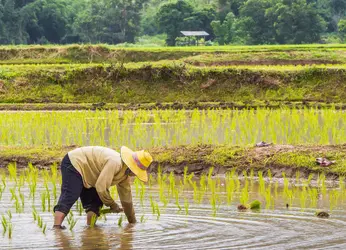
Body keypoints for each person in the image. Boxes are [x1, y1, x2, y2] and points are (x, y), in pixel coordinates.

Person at [53, 146, 153, 229]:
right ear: (131, 167)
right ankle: (56, 228)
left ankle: (90, 229)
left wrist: (132, 222)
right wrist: (112, 205)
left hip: (92, 174)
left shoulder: (124, 175)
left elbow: (126, 200)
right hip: (75, 162)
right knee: (70, 195)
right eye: (136, 172)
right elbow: (101, 187)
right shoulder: (115, 162)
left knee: (95, 204)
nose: (135, 175)